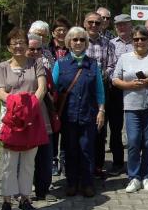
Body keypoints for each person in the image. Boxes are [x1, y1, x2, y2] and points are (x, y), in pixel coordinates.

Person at [0, 29, 48, 210]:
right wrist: (16, 105)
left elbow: (41, 87)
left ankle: (25, 199)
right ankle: (7, 201)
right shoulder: (2, 67)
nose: (18, 46)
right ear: (9, 47)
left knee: (28, 161)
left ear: (27, 45)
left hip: (32, 115)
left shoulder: (37, 63)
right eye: (14, 43)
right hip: (10, 116)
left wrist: (31, 105)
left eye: (21, 42)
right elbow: (0, 91)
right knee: (9, 162)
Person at [112, 26, 148, 193]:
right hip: (131, 106)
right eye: (135, 39)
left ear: (147, 39)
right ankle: (134, 177)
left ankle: (146, 177)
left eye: (142, 39)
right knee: (134, 142)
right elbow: (115, 79)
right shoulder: (124, 57)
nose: (139, 42)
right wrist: (129, 85)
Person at [52, 26, 106, 198]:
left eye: (82, 39)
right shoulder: (60, 64)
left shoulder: (93, 64)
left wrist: (101, 110)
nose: (78, 42)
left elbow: (99, 90)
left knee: (87, 149)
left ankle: (87, 183)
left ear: (86, 43)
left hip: (88, 115)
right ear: (68, 42)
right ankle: (72, 183)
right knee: (70, 150)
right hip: (67, 116)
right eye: (74, 39)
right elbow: (52, 90)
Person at [83, 11, 118, 177]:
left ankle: (98, 166)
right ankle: (81, 166)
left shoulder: (108, 43)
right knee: (82, 128)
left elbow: (112, 66)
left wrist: (103, 75)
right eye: (91, 22)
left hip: (101, 89)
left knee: (100, 128)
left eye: (97, 23)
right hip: (82, 90)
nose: (94, 26)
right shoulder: (78, 40)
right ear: (84, 23)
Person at [26, 35, 58, 202]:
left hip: (43, 117)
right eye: (32, 49)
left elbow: (51, 90)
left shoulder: (44, 70)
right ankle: (25, 190)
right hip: (23, 118)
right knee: (26, 156)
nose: (35, 52)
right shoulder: (15, 68)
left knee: (45, 156)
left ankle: (43, 190)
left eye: (39, 49)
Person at [107, 14, 135, 176]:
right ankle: (118, 163)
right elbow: (109, 66)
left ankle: (136, 162)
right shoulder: (110, 44)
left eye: (124, 25)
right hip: (116, 90)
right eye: (118, 25)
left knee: (135, 128)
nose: (121, 28)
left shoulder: (138, 42)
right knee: (115, 128)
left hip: (135, 90)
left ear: (130, 25)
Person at [47, 15, 71, 176]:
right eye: (58, 30)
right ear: (53, 33)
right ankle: (53, 159)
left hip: (68, 93)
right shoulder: (46, 49)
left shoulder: (74, 49)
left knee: (66, 128)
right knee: (53, 128)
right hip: (50, 94)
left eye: (64, 30)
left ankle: (65, 158)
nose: (61, 33)